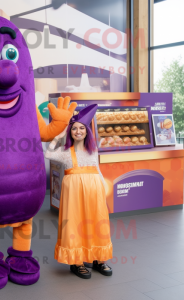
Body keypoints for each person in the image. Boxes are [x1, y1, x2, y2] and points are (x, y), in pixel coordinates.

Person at [45, 104, 113, 279]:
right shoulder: (65, 152)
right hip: (74, 196)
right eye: (74, 128)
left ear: (87, 131)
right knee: (75, 224)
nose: (78, 131)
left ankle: (98, 259)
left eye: (81, 128)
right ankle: (77, 262)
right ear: (70, 132)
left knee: (97, 223)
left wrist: (103, 193)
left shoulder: (93, 150)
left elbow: (97, 170)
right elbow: (47, 154)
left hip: (94, 192)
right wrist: (57, 137)